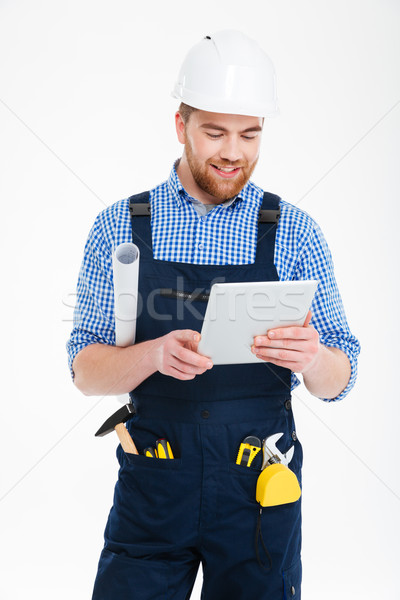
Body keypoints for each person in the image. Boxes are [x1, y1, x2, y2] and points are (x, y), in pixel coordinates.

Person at [67, 30, 360, 600]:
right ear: (181, 127)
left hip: (258, 490)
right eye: (215, 132)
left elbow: (340, 381)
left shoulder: (295, 232)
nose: (233, 151)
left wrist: (315, 357)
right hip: (154, 481)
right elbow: (84, 372)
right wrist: (151, 355)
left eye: (249, 134)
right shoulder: (119, 227)